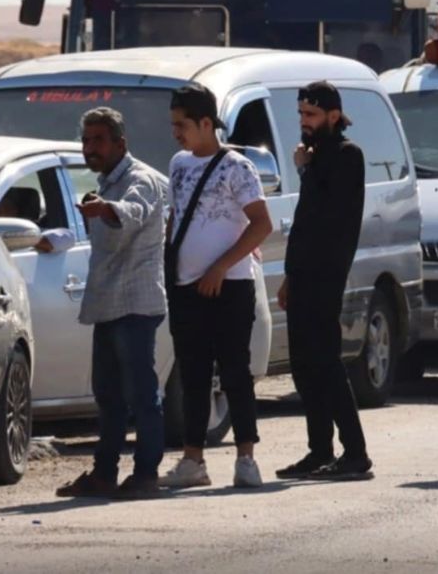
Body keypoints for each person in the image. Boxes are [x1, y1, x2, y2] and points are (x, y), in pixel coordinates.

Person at [158, 85, 274, 490]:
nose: (177, 133)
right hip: (185, 287)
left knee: (235, 372)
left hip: (230, 287)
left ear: (206, 123)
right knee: (191, 374)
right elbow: (176, 216)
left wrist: (220, 268)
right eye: (173, 125)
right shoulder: (178, 164)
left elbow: (262, 224)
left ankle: (246, 458)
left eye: (183, 125)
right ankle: (193, 461)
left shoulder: (236, 167)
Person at [55, 107, 171, 500]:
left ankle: (146, 474)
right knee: (108, 395)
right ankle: (104, 474)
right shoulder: (105, 183)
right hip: (109, 304)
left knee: (141, 395)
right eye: (86, 140)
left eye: (99, 140)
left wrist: (106, 209)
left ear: (121, 144)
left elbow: (134, 211)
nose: (90, 148)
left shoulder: (141, 180)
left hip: (136, 304)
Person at [275, 82, 374, 482]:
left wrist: (304, 169)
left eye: (311, 115)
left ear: (334, 116)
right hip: (302, 275)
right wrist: (288, 277)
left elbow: (331, 214)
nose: (305, 123)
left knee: (326, 363)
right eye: (300, 115)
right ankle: (320, 450)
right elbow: (305, 224)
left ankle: (355, 452)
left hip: (326, 275)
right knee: (303, 366)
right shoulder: (316, 158)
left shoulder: (347, 156)